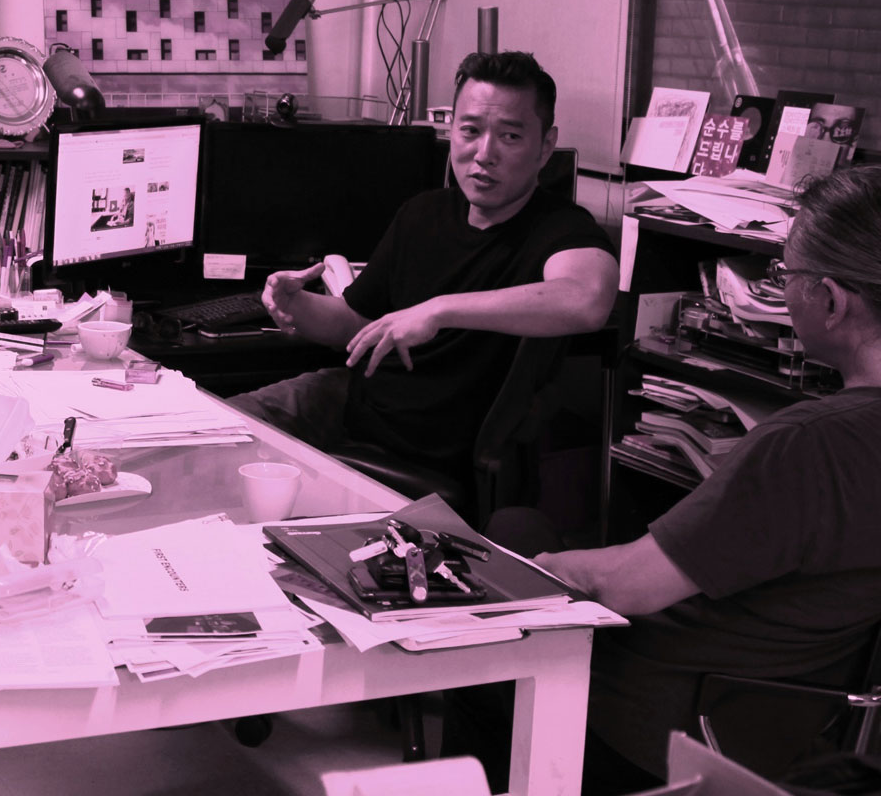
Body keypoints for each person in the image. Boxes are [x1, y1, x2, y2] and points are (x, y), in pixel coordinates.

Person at [529, 164, 881, 788]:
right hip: (782, 730)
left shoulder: (811, 445)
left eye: (785, 275)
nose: (781, 290)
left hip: (651, 724)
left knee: (513, 540)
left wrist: (529, 570)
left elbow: (623, 588)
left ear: (831, 300)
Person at [235, 51, 617, 486]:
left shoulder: (562, 229)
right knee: (214, 430)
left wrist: (439, 310)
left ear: (545, 146)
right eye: (470, 131)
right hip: (350, 404)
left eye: (510, 136)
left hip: (423, 453)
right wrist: (296, 305)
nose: (485, 154)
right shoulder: (424, 212)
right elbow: (356, 322)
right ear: (451, 131)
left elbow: (587, 299)